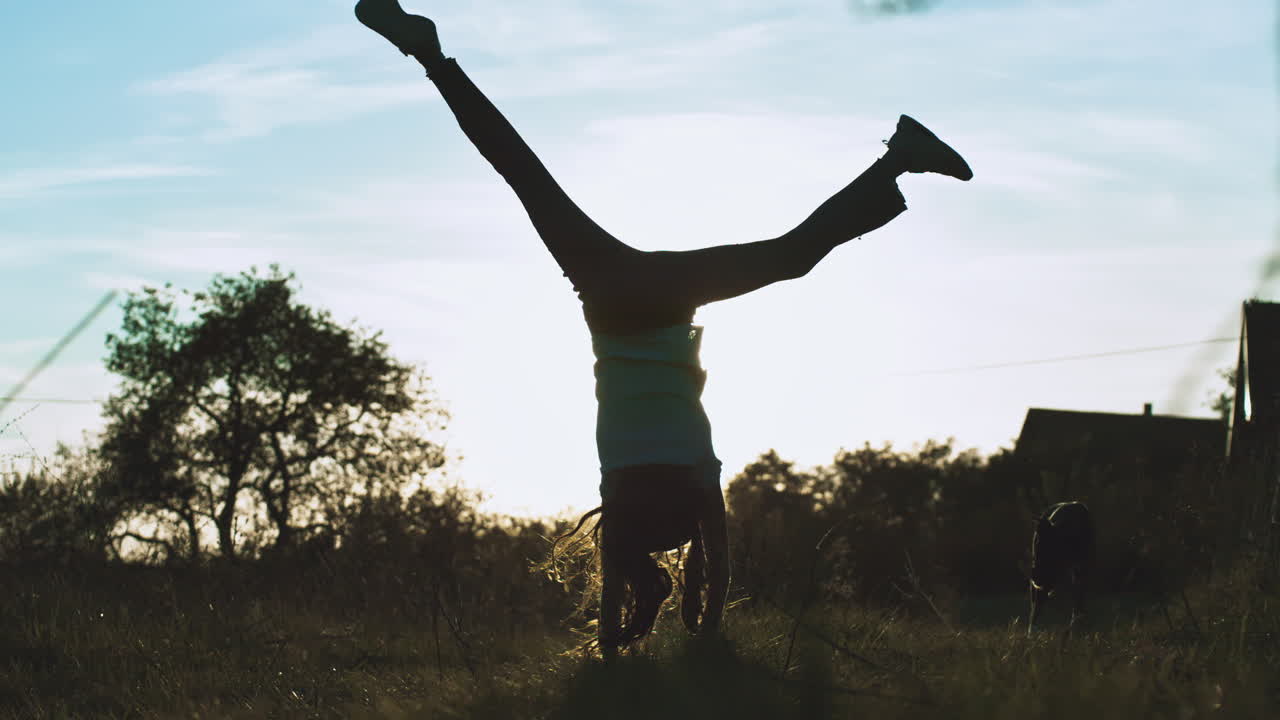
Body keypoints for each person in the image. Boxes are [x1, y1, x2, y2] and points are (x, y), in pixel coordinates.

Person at [354, 0, 973, 656]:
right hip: (610, 295)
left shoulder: (696, 478)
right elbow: (638, 569)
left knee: (789, 256)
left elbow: (718, 564)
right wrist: (617, 640)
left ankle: (898, 158)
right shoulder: (618, 489)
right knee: (523, 174)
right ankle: (430, 55)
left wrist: (697, 628)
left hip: (663, 300)